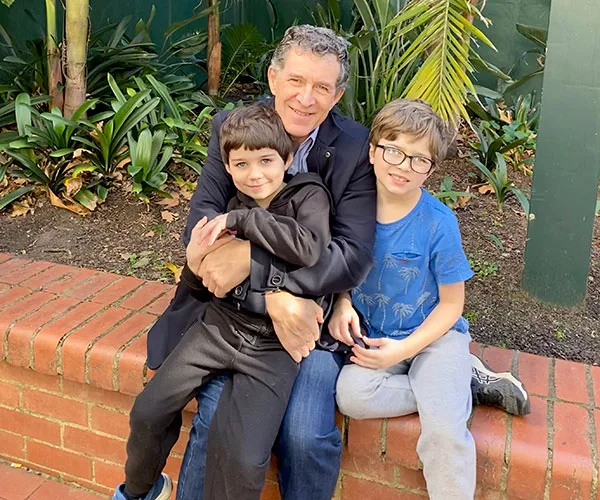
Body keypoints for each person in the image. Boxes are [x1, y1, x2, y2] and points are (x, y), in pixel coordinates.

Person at [149, 25, 528, 500]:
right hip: (238, 314)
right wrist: (267, 295)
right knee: (216, 414)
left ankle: (449, 387)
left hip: (317, 317)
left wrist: (262, 271)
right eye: (296, 80)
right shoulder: (235, 126)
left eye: (322, 87)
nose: (306, 98)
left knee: (305, 433)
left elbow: (349, 254)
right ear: (273, 77)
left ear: (338, 94)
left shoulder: (354, 147)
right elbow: (204, 225)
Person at [112, 103, 334, 500]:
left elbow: (308, 247)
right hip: (219, 329)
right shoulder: (234, 204)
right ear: (228, 168)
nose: (255, 174)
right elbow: (207, 283)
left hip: (273, 348)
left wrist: (241, 223)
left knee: (245, 460)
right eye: (241, 164)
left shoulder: (308, 196)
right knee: (149, 409)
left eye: (266, 161)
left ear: (287, 159)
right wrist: (196, 263)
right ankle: (140, 492)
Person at [331, 99, 530, 500]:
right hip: (376, 337)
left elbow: (452, 305)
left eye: (418, 159)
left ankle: (451, 386)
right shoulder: (351, 209)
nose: (403, 166)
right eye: (394, 151)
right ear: (372, 151)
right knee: (351, 396)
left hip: (435, 337)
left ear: (432, 168)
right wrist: (341, 302)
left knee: (443, 431)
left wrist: (404, 350)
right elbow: (340, 266)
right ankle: (462, 385)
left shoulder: (439, 223)